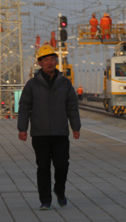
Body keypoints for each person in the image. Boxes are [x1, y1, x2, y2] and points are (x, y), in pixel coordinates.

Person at [18, 44, 81, 210]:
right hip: (40, 134)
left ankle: (59, 191)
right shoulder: (32, 85)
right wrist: (22, 128)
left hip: (60, 133)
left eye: (52, 59)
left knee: (62, 164)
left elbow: (72, 107)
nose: (49, 62)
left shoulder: (65, 84)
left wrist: (76, 127)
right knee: (43, 167)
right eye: (46, 59)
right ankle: (45, 200)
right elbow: (24, 107)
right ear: (39, 63)